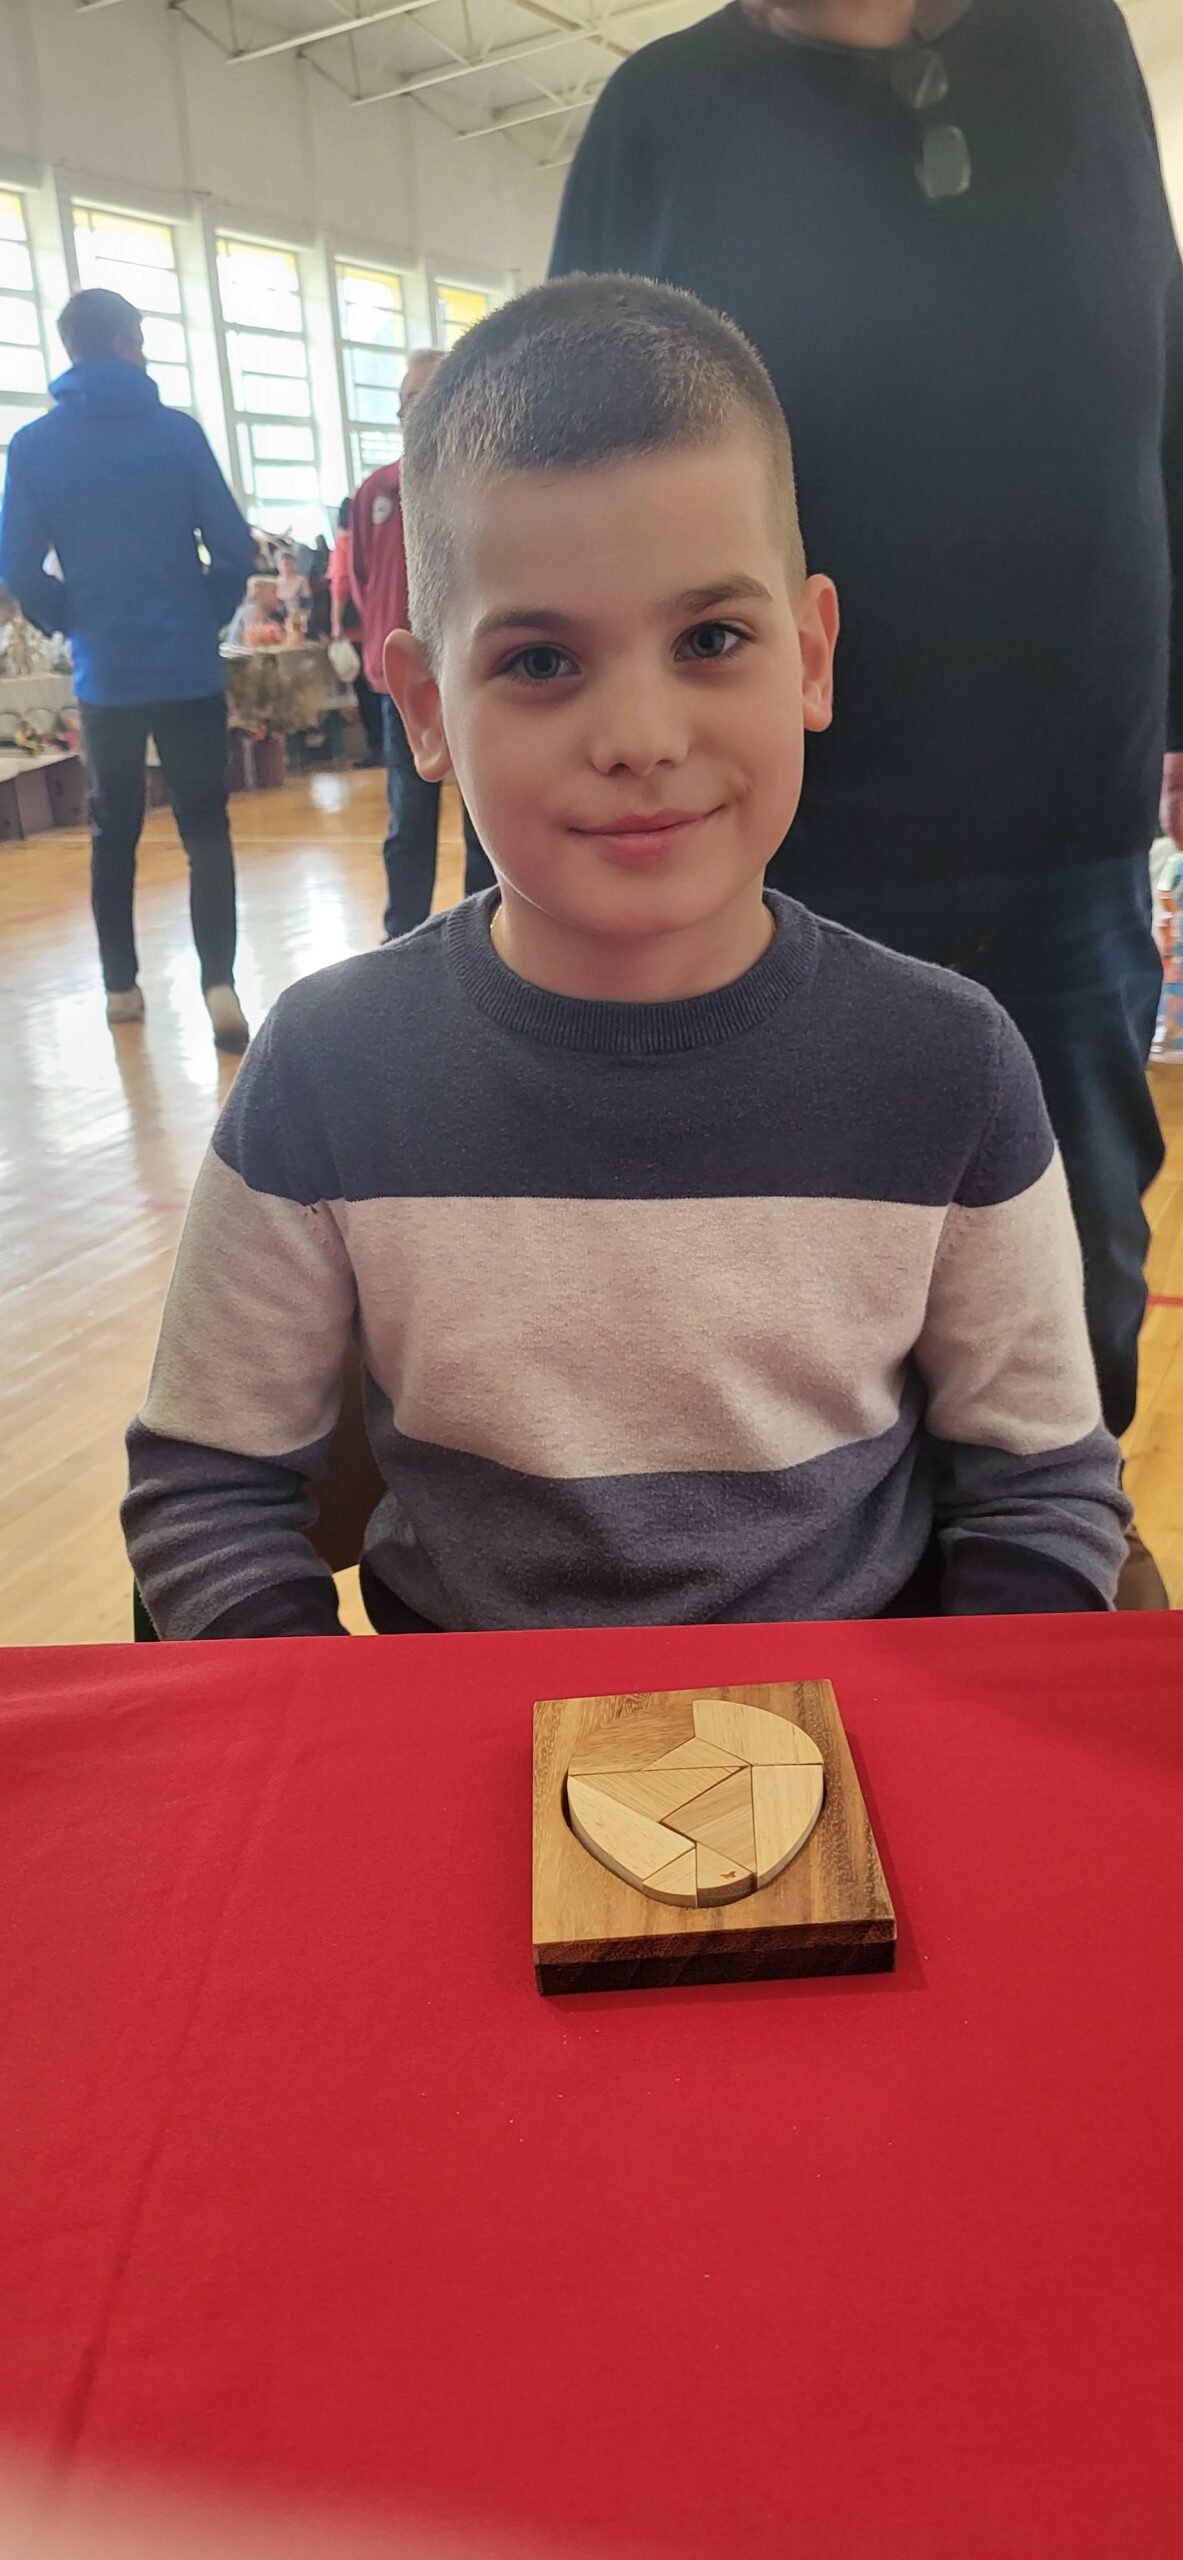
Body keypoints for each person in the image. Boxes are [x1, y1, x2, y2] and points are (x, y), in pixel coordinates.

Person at [122, 277, 1128, 1641]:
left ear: (809, 657)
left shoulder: (949, 1065)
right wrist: (335, 1728)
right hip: (458, 1730)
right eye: (540, 663)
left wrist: (968, 1726)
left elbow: (1039, 1493)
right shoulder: (328, 1068)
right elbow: (207, 1493)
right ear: (424, 707)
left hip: (860, 1728)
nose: (641, 737)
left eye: (710, 639)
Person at [549, 0, 1181, 1607]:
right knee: (770, 1264)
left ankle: (1041, 1577)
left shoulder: (1075, 50)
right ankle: (797, 1591)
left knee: (1072, 1239)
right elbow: (556, 479)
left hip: (1068, 792)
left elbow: (1159, 388)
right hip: (768, 823)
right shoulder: (662, 112)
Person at [0, 287, 254, 1051]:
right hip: (186, 666)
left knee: (112, 830)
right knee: (204, 827)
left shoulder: (33, 446)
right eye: (139, 339)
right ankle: (219, 986)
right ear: (120, 340)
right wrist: (202, 613)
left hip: (105, 673)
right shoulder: (178, 434)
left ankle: (121, 987)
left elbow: (17, 564)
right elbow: (233, 548)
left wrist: (74, 618)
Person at [349, 347, 495, 938]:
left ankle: (488, 932)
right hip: (402, 686)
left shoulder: (488, 485)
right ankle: (401, 936)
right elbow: (362, 576)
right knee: (409, 814)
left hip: (477, 674)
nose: (419, 409)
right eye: (410, 401)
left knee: (487, 815)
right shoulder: (375, 491)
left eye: (430, 395)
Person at [329, 496, 383, 762]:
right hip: (375, 623)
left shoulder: (344, 544)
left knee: (364, 692)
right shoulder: (373, 542)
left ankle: (375, 746)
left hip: (353, 628)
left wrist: (336, 623)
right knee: (379, 690)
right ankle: (385, 745)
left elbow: (341, 584)